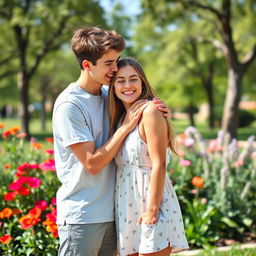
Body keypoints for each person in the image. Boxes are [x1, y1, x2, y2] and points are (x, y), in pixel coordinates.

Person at [52, 26, 169, 256]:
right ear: (87, 65)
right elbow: (92, 163)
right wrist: (124, 128)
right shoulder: (70, 106)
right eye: (109, 63)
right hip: (83, 217)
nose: (115, 69)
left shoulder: (111, 96)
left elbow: (143, 116)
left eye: (116, 61)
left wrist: (157, 109)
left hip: (116, 213)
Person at [108, 57, 189, 256]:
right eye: (120, 80)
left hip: (152, 201)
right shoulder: (120, 118)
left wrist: (152, 211)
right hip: (127, 203)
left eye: (133, 79)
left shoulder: (150, 112)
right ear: (113, 87)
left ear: (142, 82)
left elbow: (159, 164)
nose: (127, 85)